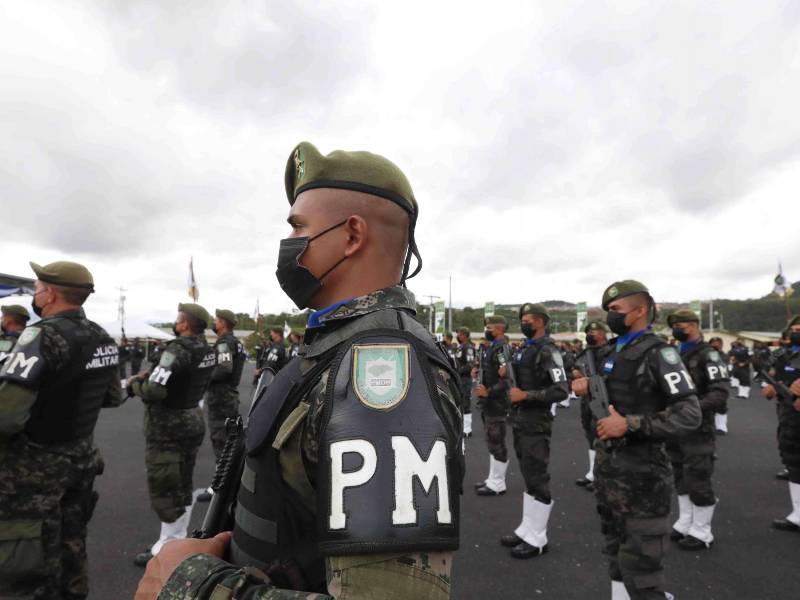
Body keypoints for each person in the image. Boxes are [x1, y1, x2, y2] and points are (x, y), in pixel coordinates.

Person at [135, 141, 462, 600]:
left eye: (298, 226)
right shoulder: (335, 346)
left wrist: (191, 586)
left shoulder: (382, 373)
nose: (289, 243)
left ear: (352, 236)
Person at [0, 260, 122, 599]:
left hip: (33, 470)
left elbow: (6, 418)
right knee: (71, 546)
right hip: (81, 460)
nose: (36, 294)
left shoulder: (40, 336)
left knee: (25, 563)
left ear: (50, 294)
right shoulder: (101, 336)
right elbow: (113, 397)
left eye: (38, 288)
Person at [572, 280, 701, 600]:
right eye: (608, 310)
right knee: (616, 556)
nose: (610, 316)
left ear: (641, 310)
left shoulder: (660, 354)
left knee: (642, 572)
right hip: (611, 474)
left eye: (616, 309)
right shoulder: (611, 351)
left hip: (643, 478)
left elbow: (689, 414)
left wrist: (629, 424)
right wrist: (587, 385)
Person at [128, 303, 217, 566]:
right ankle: (176, 539)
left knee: (167, 485)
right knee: (182, 483)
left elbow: (154, 390)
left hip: (168, 427)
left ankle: (167, 547)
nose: (175, 323)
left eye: (178, 319)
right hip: (191, 420)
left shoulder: (176, 350)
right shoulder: (206, 349)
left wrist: (135, 385)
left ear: (185, 323)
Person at [499, 303, 568, 558]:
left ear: (540, 322)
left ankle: (538, 537)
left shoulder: (548, 350)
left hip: (536, 422)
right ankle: (527, 529)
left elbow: (561, 390)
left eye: (528, 320)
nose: (524, 323)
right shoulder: (526, 349)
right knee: (528, 476)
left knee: (537, 478)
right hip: (521, 420)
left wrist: (526, 395)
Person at [666, 310, 730, 550]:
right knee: (680, 474)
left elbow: (720, 393)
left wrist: (692, 409)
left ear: (693, 325)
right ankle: (686, 521)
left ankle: (702, 531)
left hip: (698, 426)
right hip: (674, 425)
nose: (676, 329)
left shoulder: (709, 355)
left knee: (698, 476)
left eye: (680, 325)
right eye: (674, 326)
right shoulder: (673, 355)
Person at [197, 309, 247, 503]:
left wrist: (203, 376)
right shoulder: (234, 342)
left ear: (223, 323)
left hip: (221, 399)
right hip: (228, 398)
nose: (214, 323)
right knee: (227, 442)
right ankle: (228, 486)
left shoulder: (225, 342)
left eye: (217, 320)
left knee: (221, 443)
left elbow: (225, 368)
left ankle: (220, 489)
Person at [762, 316, 800, 532]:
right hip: (789, 417)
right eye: (794, 329)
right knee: (794, 462)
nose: (795, 333)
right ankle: (798, 515)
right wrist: (773, 389)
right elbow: (780, 379)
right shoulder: (787, 355)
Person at [572, 320, 612, 492]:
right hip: (587, 398)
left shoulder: (610, 352)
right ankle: (592, 473)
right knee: (590, 433)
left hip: (603, 398)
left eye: (593, 332)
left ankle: (602, 475)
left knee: (601, 436)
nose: (589, 335)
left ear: (602, 334)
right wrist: (575, 372)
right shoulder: (586, 352)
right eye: (588, 332)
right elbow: (575, 366)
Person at [473, 315, 512, 496]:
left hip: (497, 402)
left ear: (500, 329)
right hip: (488, 402)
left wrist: (488, 392)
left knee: (496, 442)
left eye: (490, 328)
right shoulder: (492, 348)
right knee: (491, 441)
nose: (486, 331)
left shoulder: (502, 349)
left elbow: (507, 379)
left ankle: (498, 483)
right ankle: (492, 479)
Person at [454, 326, 476, 437]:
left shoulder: (468, 347)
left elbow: (470, 364)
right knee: (459, 402)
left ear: (465, 335)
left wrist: (458, 371)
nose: (458, 336)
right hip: (459, 378)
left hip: (465, 379)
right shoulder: (460, 347)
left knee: (466, 403)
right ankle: (461, 427)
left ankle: (467, 429)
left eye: (460, 334)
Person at [708, 336, 730, 434]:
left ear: (721, 345)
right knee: (708, 405)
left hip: (720, 383)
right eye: (713, 344)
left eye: (717, 344)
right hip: (707, 383)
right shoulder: (705, 355)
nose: (715, 346)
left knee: (721, 405)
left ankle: (721, 427)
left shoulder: (724, 356)